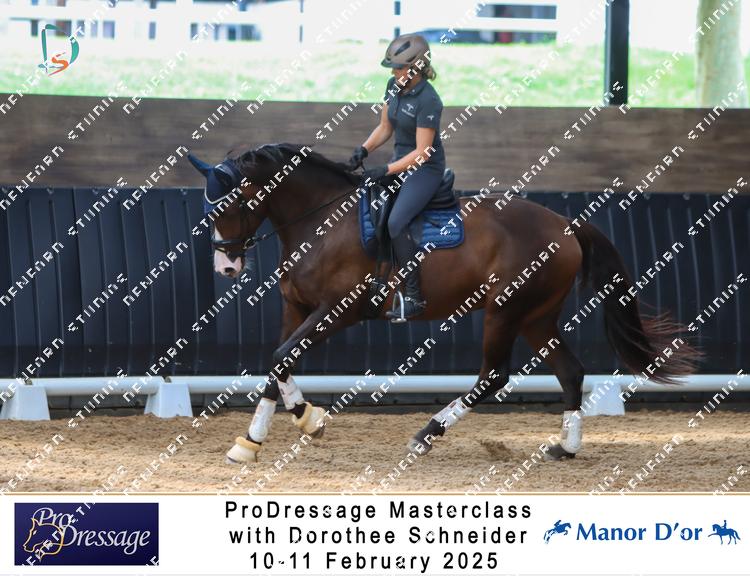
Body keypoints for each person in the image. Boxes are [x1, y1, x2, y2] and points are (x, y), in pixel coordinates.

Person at [348, 33, 446, 321]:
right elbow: (385, 127)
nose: (394, 73)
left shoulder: (429, 100)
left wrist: (385, 170)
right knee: (371, 208)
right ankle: (381, 278)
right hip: (399, 162)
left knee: (396, 221)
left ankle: (414, 297)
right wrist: (364, 149)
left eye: (399, 68)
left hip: (424, 169)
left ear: (416, 68)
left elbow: (422, 152)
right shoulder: (393, 86)